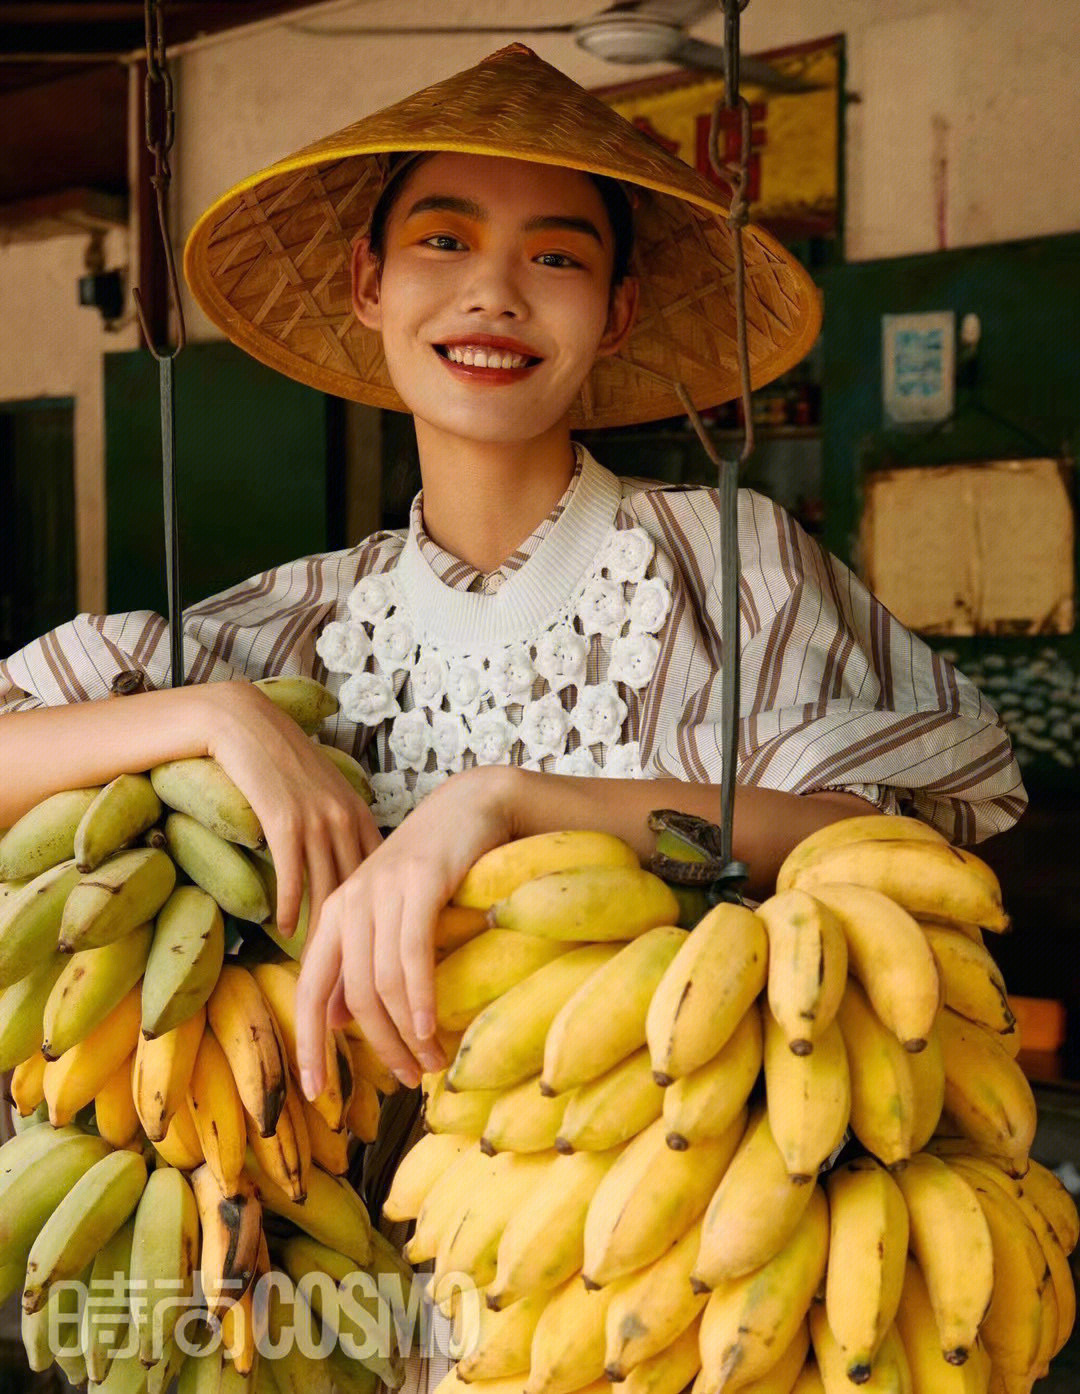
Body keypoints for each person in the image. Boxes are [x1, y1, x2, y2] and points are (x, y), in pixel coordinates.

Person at [1, 45, 1025, 1113]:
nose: (491, 293)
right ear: (369, 282)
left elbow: (866, 835)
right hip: (332, 1236)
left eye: (557, 260)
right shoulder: (298, 632)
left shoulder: (730, 562)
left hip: (653, 1212)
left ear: (616, 312)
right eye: (443, 241)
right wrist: (217, 717)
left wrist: (506, 801)